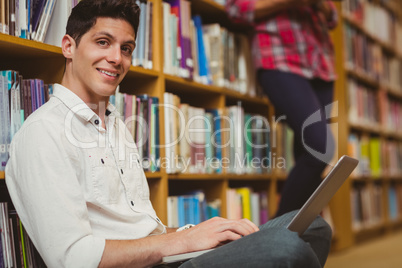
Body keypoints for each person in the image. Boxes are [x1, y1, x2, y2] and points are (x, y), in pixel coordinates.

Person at [5, 0, 332, 267]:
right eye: (102, 42)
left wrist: (200, 232)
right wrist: (183, 241)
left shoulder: (116, 124)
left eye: (127, 48)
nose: (116, 58)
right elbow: (73, 259)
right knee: (285, 247)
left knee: (309, 226)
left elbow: (145, 229)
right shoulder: (43, 133)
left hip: (167, 255)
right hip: (155, 262)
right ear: (68, 47)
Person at [225, 0, 338, 217]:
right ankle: (277, 233)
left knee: (307, 155)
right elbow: (235, 9)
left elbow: (333, 18)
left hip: (320, 64)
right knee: (320, 149)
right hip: (278, 56)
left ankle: (300, 240)